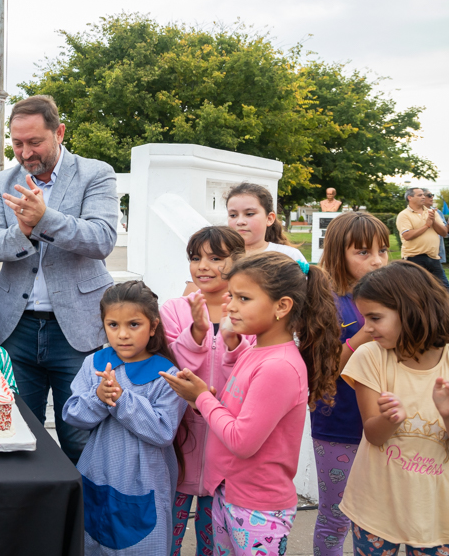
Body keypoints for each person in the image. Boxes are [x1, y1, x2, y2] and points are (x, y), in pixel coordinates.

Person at [161, 252, 342, 556]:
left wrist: (202, 397)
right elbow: (233, 413)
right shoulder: (255, 351)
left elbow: (242, 441)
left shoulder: (279, 366)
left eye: (243, 298)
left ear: (282, 306)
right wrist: (199, 398)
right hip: (230, 493)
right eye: (231, 296)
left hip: (257, 509)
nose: (230, 306)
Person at [0, 94, 120, 463]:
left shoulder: (95, 173)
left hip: (78, 328)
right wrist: (22, 231)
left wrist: (45, 219)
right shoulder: (2, 181)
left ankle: (82, 504)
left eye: (35, 141)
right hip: (17, 327)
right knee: (18, 433)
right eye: (17, 143)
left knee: (80, 438)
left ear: (60, 132)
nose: (25, 153)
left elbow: (102, 239)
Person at [63, 281, 188, 555]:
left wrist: (122, 399)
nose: (122, 334)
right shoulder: (94, 364)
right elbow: (73, 414)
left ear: (153, 326)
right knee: (92, 544)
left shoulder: (166, 374)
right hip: (97, 473)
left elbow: (163, 431)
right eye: (113, 325)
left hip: (144, 482)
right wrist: (98, 396)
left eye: (134, 324)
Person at [339, 261, 449, 553]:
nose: (367, 328)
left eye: (375, 317)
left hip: (437, 514)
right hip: (375, 508)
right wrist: (390, 419)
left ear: (412, 309)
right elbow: (374, 435)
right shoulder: (370, 357)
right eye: (364, 317)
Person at [160, 226, 249, 556]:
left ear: (238, 261)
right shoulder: (173, 309)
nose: (203, 266)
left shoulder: (248, 312)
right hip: (180, 440)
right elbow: (171, 365)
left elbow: (249, 369)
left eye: (215, 258)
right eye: (196, 258)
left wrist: (231, 341)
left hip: (225, 444)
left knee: (214, 539)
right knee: (167, 535)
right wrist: (196, 333)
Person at [311, 211, 389, 555]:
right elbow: (323, 372)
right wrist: (362, 335)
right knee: (335, 517)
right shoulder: (326, 302)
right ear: (338, 253)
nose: (377, 261)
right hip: (338, 426)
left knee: (380, 517)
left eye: (382, 250)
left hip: (390, 424)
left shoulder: (394, 298)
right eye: (363, 252)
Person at [225, 182, 304, 263]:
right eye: (233, 215)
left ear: (269, 219)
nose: (240, 222)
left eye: (249, 214)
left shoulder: (289, 256)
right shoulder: (220, 255)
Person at [395, 187, 449, 290]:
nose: (423, 197)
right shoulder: (404, 215)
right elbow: (407, 235)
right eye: (420, 195)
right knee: (417, 290)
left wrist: (433, 221)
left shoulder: (432, 212)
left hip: (433, 258)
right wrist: (426, 225)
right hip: (414, 259)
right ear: (410, 197)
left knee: (444, 289)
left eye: (423, 195)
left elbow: (444, 233)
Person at [422, 189, 448, 264]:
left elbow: (445, 234)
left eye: (432, 195)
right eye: (429, 195)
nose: (432, 197)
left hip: (437, 254)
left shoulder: (438, 212)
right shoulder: (412, 213)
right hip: (420, 254)